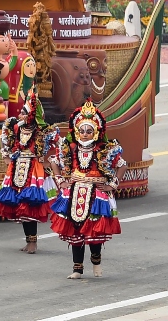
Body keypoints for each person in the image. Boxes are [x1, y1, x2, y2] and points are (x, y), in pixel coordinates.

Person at [50, 99, 125, 279]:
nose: (84, 134)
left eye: (89, 131)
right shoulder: (71, 148)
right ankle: (77, 268)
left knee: (94, 230)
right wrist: (61, 181)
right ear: (76, 131)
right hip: (74, 192)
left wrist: (112, 185)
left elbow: (122, 165)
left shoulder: (104, 149)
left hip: (97, 194)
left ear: (96, 131)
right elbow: (54, 162)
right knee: (75, 229)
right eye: (82, 131)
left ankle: (96, 263)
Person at [0, 88, 61, 253]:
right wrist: (6, 156)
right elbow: (4, 139)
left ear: (32, 115)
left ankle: (33, 242)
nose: (20, 115)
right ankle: (28, 240)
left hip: (34, 171)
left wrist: (51, 161)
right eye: (21, 112)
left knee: (29, 205)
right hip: (16, 168)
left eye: (24, 112)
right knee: (20, 205)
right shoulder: (16, 128)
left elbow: (60, 145)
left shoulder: (42, 131)